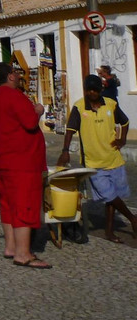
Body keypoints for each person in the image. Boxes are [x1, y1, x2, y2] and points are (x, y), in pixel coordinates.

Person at [0, 61, 50, 268]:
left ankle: (10, 246)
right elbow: (29, 122)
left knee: (7, 204)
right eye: (16, 73)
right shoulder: (14, 96)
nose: (18, 76)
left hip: (1, 159)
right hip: (21, 161)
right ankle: (23, 253)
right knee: (24, 204)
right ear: (10, 76)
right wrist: (37, 110)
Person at [57, 74, 135, 243]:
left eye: (95, 90)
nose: (92, 93)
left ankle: (109, 232)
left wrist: (122, 139)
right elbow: (70, 130)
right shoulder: (79, 107)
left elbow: (125, 121)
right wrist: (65, 150)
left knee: (112, 199)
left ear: (101, 90)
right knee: (109, 196)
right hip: (93, 162)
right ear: (85, 91)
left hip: (113, 159)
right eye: (89, 90)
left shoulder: (111, 104)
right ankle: (133, 218)